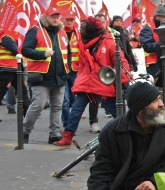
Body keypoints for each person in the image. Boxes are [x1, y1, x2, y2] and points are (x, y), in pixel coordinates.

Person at [54, 17, 129, 146]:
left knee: (116, 112)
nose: (79, 29)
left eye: (82, 28)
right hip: (88, 82)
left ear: (90, 30)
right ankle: (67, 137)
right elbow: (83, 65)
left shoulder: (109, 43)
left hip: (105, 83)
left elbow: (122, 65)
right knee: (77, 109)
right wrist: (81, 79)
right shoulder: (83, 43)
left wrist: (121, 83)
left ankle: (129, 134)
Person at [21, 11, 69, 144]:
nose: (56, 19)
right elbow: (25, 50)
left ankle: (54, 134)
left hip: (59, 76)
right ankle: (25, 131)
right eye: (53, 17)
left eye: (57, 17)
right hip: (41, 76)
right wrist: (43, 54)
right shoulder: (35, 30)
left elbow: (68, 53)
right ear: (45, 17)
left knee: (57, 107)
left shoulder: (62, 33)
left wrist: (68, 68)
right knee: (38, 105)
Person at [0, 30, 30, 122]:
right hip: (8, 69)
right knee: (1, 92)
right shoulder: (6, 38)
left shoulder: (7, 37)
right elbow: (17, 51)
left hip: (13, 69)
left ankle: (28, 114)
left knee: (22, 91)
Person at [61, 15, 82, 132]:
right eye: (67, 19)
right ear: (62, 20)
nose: (69, 22)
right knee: (65, 100)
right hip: (63, 70)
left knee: (74, 99)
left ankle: (70, 121)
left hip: (75, 70)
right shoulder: (59, 33)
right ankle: (67, 125)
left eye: (71, 20)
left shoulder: (77, 33)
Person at [140, 4, 165, 80]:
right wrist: (162, 43)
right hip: (154, 65)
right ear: (157, 17)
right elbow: (147, 46)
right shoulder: (147, 29)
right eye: (163, 18)